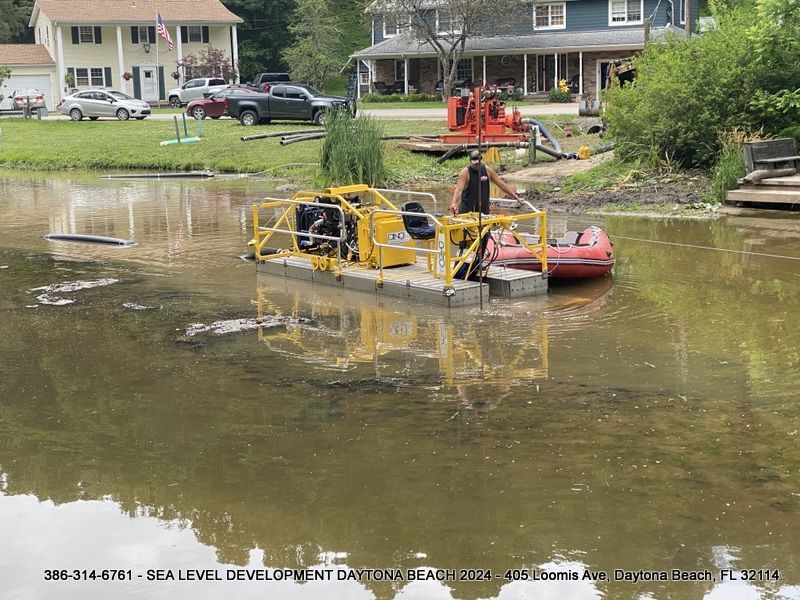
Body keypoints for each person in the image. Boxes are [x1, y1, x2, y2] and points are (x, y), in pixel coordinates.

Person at [449, 150, 524, 215]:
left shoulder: (488, 171)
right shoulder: (465, 173)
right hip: (468, 209)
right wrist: (454, 203)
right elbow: (458, 190)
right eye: (474, 165)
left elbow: (501, 185)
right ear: (471, 162)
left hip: (483, 208)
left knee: (485, 230)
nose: (477, 167)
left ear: (481, 160)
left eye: (478, 164)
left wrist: (516, 197)